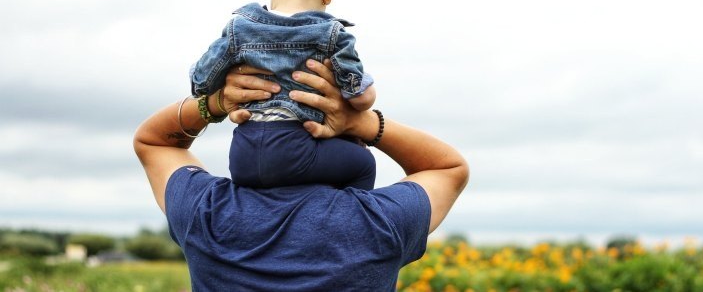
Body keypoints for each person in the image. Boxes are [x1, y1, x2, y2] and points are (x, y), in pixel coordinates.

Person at [133, 60, 469, 291]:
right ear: (349, 149)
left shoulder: (208, 214)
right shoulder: (380, 222)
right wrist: (362, 122)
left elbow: (155, 142)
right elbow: (447, 168)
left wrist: (217, 102)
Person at [190, 0, 377, 190]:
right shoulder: (332, 34)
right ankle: (349, 221)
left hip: (243, 153)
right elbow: (358, 97)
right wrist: (366, 93)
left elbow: (201, 82)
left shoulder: (239, 29)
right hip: (297, 149)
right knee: (363, 162)